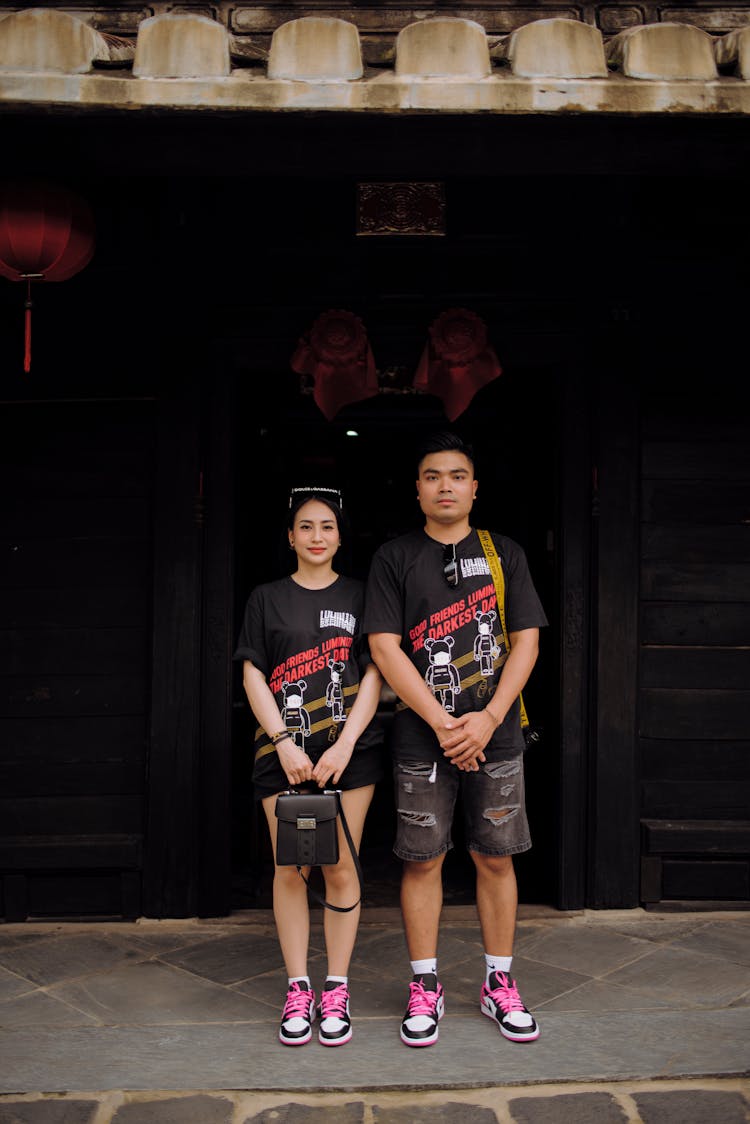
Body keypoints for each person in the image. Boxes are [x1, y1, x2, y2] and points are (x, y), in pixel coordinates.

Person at [364, 433, 547, 1048]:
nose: (446, 485)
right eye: (433, 476)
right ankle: (426, 986)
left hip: (496, 732)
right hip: (422, 737)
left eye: (458, 475)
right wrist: (445, 724)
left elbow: (527, 640)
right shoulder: (395, 557)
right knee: (423, 858)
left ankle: (499, 984)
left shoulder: (505, 554)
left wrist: (490, 717)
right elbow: (385, 646)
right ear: (417, 489)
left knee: (497, 855)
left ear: (475, 487)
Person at [234, 486, 383, 1047]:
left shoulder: (363, 595)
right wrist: (283, 742)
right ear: (290, 536)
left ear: (340, 537)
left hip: (352, 753)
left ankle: (336, 988)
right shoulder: (266, 598)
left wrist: (344, 744)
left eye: (327, 527)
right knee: (291, 869)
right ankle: (299, 987)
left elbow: (374, 672)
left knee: (342, 865)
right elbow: (252, 672)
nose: (317, 536)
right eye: (306, 526)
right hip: (284, 757)